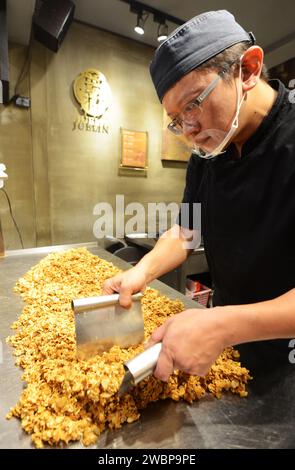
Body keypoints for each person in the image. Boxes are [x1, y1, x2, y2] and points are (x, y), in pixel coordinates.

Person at [103, 10, 295, 382]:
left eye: (193, 104)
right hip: (227, 343)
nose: (189, 131)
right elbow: (187, 232)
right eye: (176, 119)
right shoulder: (208, 153)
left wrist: (223, 325)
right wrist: (140, 272)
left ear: (249, 70)